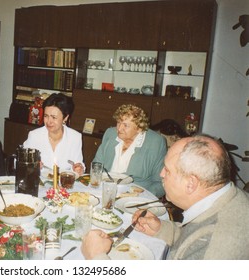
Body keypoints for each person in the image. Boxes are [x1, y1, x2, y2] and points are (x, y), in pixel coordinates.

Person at [82, 135, 249, 260]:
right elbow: (194, 236)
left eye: (167, 170)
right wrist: (163, 229)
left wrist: (97, 259)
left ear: (191, 183)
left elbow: (202, 243)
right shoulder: (229, 198)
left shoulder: (216, 247)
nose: (161, 174)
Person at [93, 104, 167, 197]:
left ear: (139, 128)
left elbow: (160, 182)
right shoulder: (110, 133)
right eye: (118, 122)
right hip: (105, 190)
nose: (119, 128)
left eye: (125, 125)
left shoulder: (155, 142)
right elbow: (96, 166)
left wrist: (143, 197)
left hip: (135, 197)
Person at [23, 93, 85, 175]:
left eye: (54, 117)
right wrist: (30, 165)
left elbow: (78, 164)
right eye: (46, 116)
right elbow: (22, 162)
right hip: (39, 184)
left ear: (65, 118)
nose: (49, 121)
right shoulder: (35, 136)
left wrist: (79, 168)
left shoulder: (75, 137)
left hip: (64, 184)